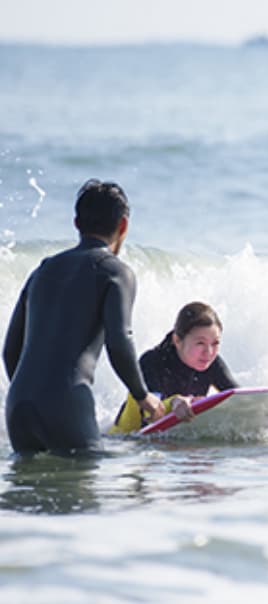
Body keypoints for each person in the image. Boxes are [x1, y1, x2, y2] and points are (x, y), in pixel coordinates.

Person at [3, 178, 164, 454]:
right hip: (67, 404)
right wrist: (142, 395)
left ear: (76, 223)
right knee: (82, 490)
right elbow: (120, 340)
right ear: (123, 225)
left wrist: (31, 393)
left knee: (27, 493)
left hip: (19, 405)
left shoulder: (43, 270)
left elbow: (9, 351)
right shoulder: (115, 271)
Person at [108, 301, 238, 434]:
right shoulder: (152, 361)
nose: (209, 352)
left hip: (174, 440)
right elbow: (150, 411)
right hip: (126, 440)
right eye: (200, 343)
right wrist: (174, 402)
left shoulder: (213, 363)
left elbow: (240, 399)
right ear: (177, 340)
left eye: (215, 343)